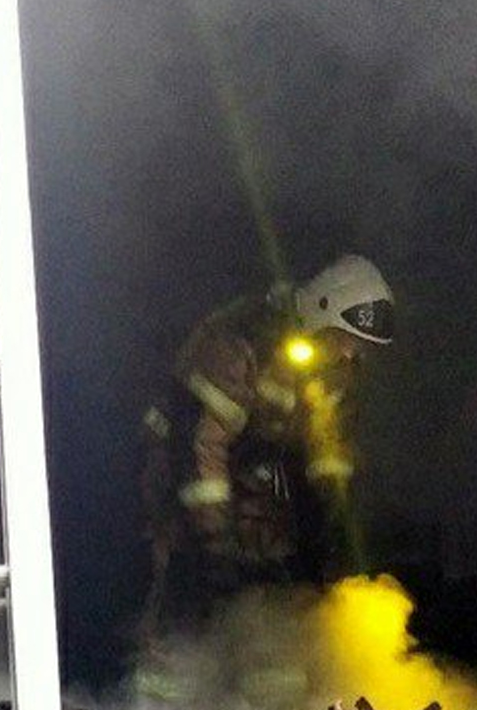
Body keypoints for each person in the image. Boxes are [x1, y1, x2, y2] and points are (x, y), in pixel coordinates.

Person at [137, 255, 394, 674]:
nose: (352, 357)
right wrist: (215, 543)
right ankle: (162, 699)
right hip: (177, 464)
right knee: (186, 572)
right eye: (347, 341)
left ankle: (255, 686)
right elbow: (202, 447)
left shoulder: (335, 370)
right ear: (321, 313)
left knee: (273, 576)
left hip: (250, 472)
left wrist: (332, 528)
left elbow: (330, 454)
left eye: (361, 349)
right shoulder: (241, 343)